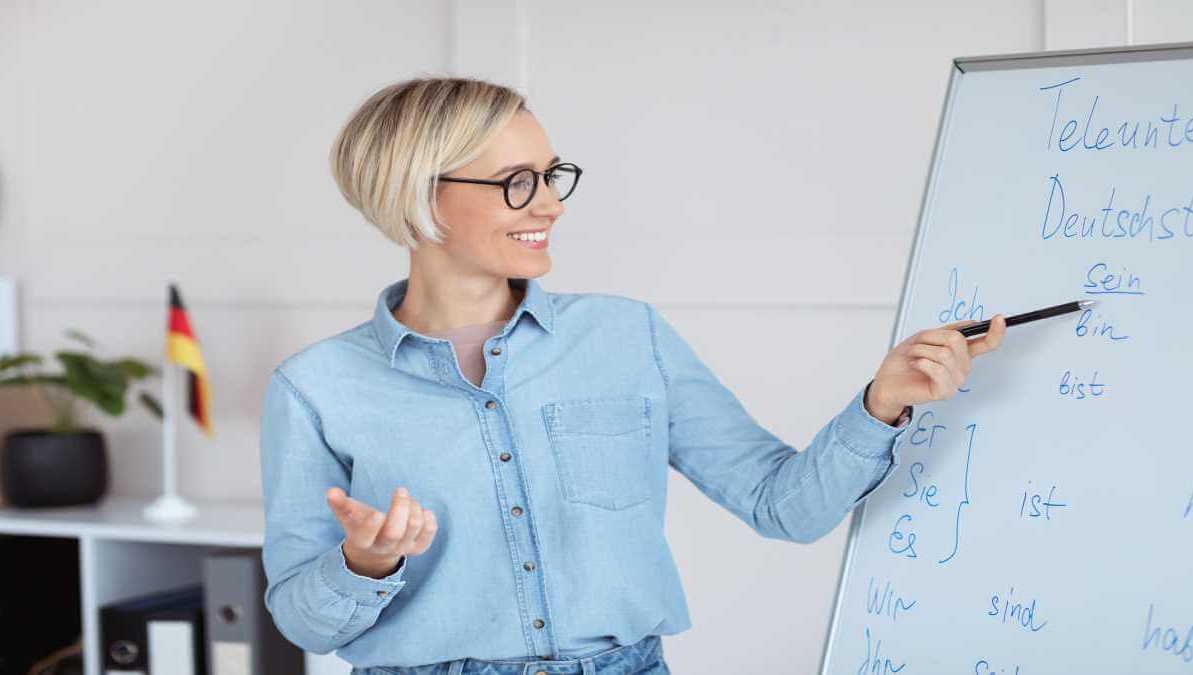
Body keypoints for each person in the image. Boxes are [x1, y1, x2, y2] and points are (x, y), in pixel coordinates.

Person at [258, 76, 1007, 675]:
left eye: (551, 176)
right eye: (517, 181)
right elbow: (300, 619)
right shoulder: (317, 386)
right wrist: (367, 559)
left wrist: (881, 405)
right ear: (423, 198)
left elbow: (784, 506)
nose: (549, 203)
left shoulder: (627, 335)